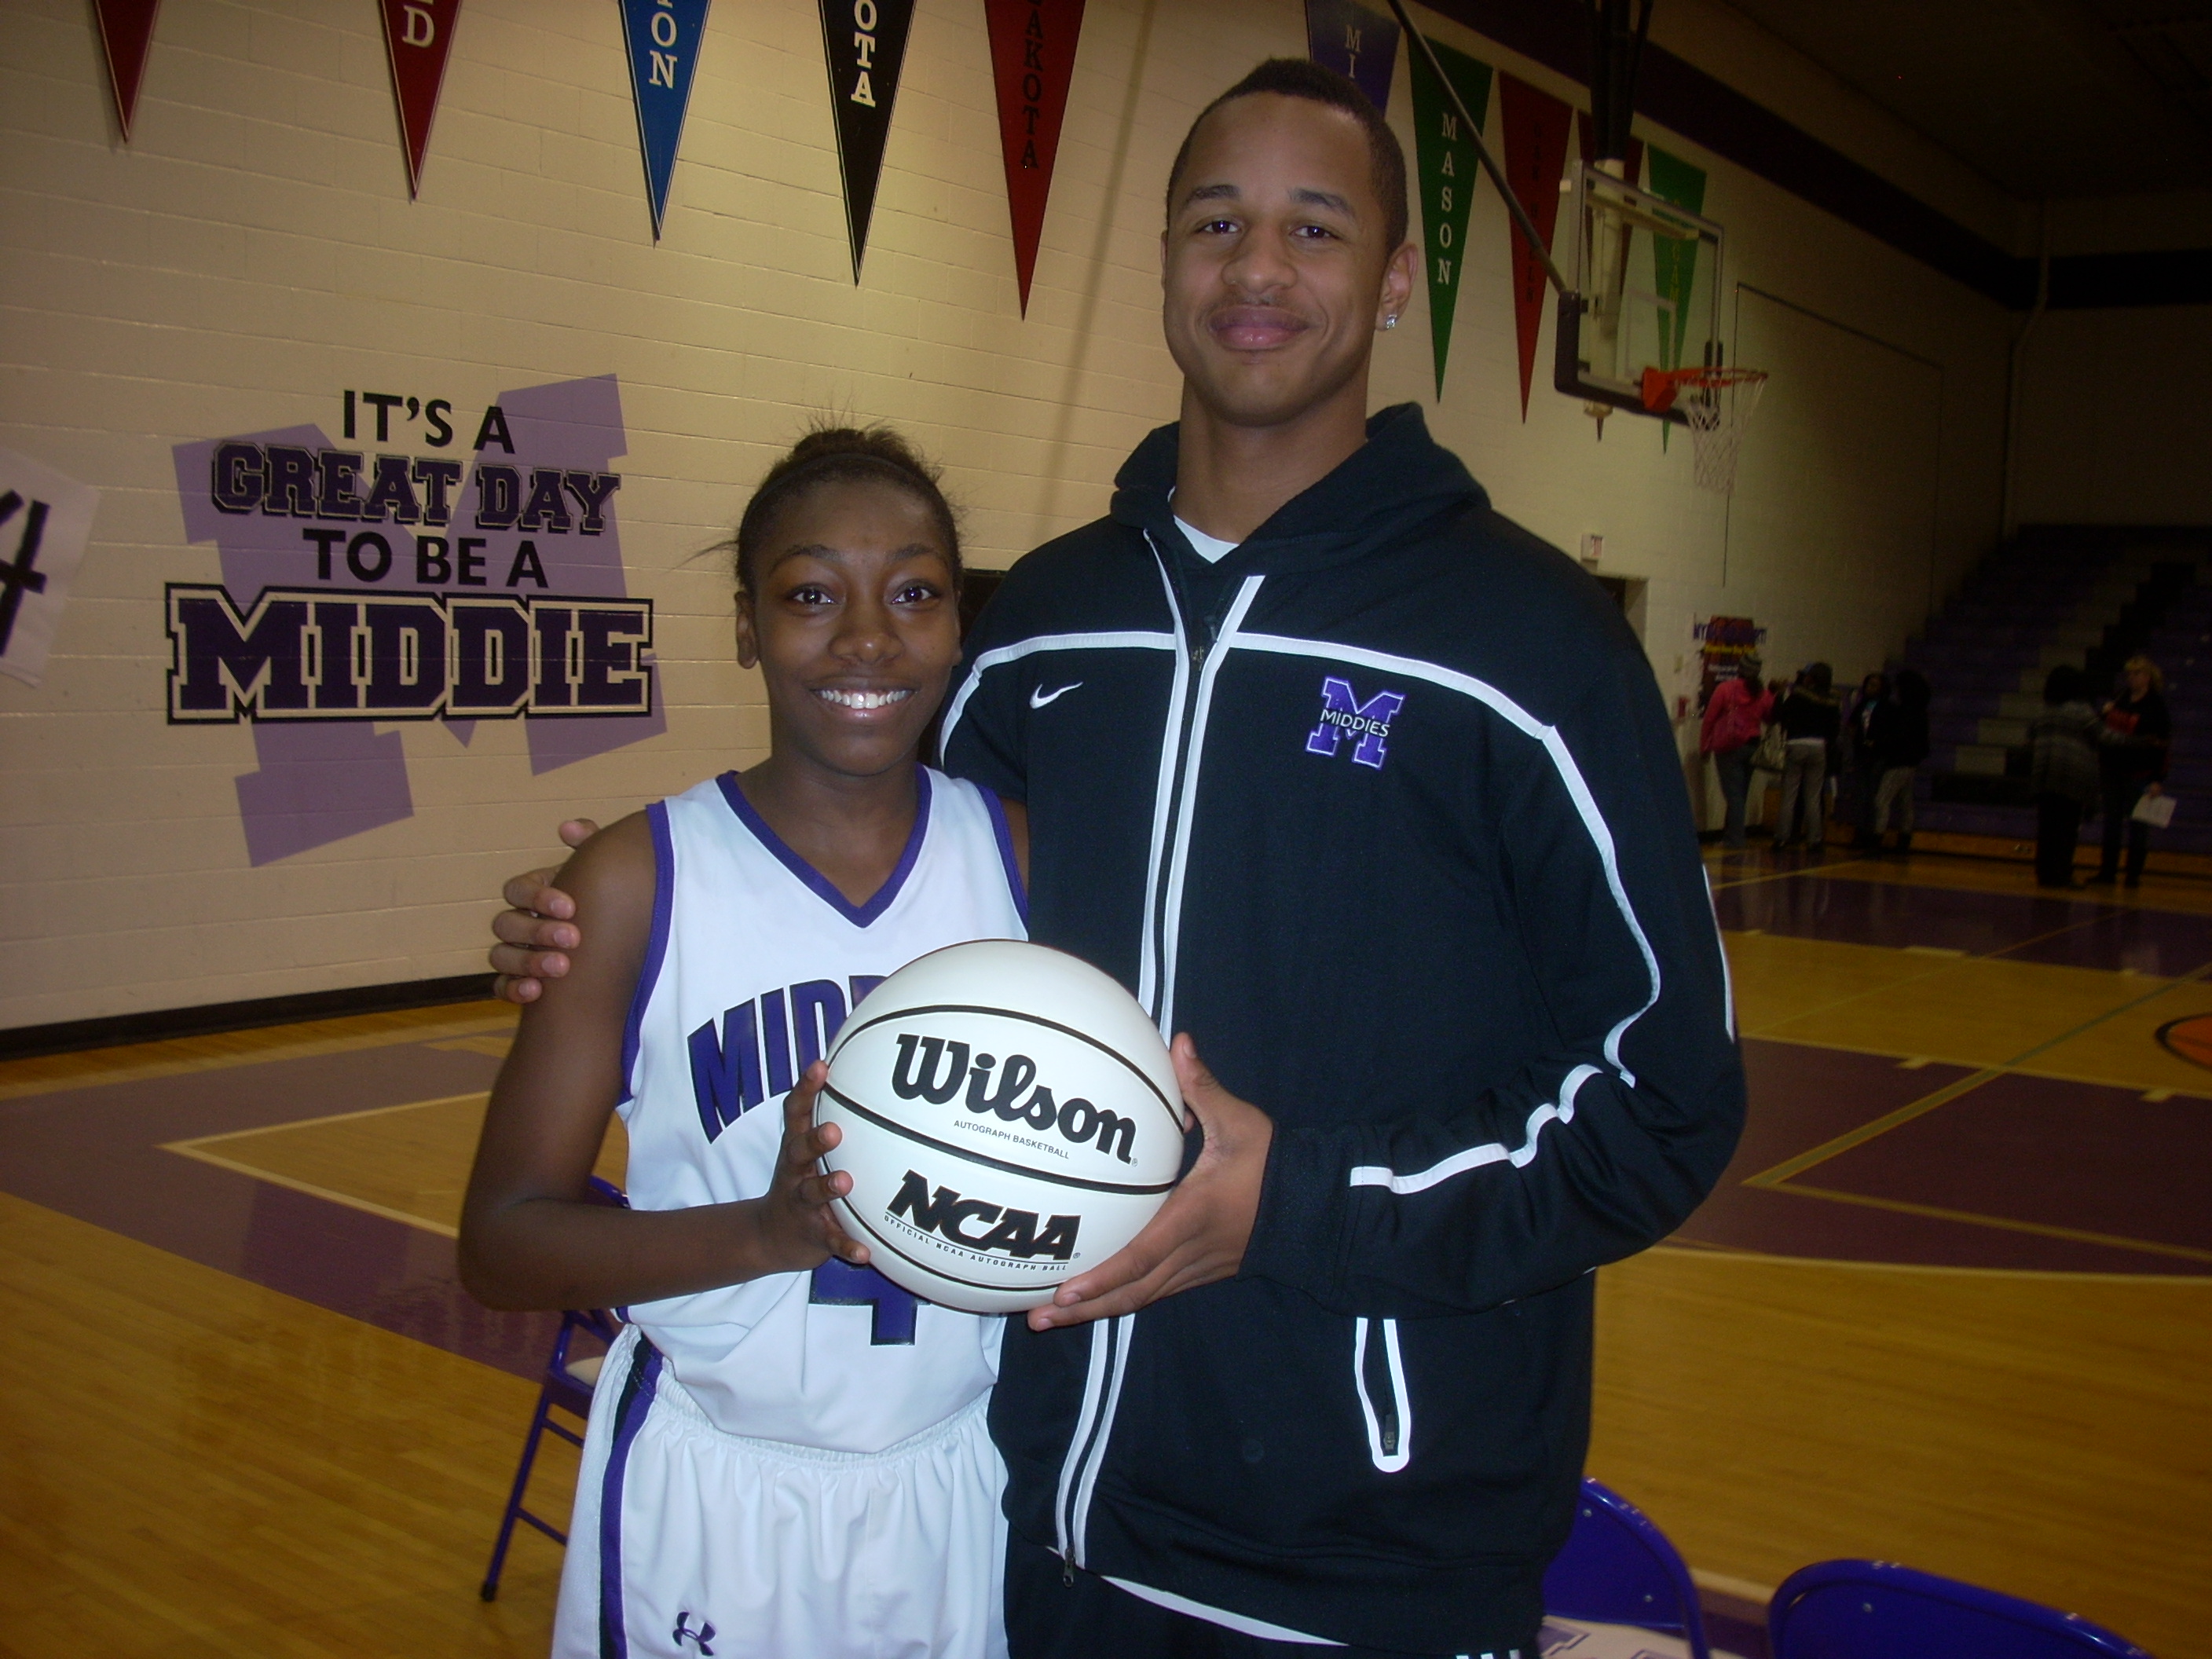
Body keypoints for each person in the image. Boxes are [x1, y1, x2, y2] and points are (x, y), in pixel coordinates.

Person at [491, 60, 1745, 1659]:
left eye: (1314, 225)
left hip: (1369, 1564)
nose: (1259, 271)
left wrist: (1290, 1198)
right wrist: (582, 919)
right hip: (1029, 1524)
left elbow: (1666, 1100)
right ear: (1163, 257)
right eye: (1216, 222)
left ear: (1397, 273)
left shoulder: (1528, 648)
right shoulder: (1039, 631)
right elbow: (860, 883)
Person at [460, 427, 1032, 1659]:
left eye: (916, 593)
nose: (868, 639)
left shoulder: (1028, 859)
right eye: (812, 594)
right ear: (744, 624)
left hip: (964, 1480)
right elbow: (501, 1247)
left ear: (957, 621)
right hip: (713, 1487)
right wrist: (766, 1235)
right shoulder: (633, 881)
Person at [2092, 654, 2171, 888]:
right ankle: (2108, 872)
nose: (2132, 678)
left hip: (2140, 773)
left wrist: (2158, 779)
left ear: (2147, 677)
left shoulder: (2156, 707)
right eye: (2129, 674)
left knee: (2138, 826)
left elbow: (2162, 746)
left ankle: (2133, 875)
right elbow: (2102, 728)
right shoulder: (2120, 698)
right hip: (2112, 770)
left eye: (2136, 674)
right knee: (2111, 823)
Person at [2028, 664, 2101, 888]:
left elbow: (2030, 737)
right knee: (2066, 830)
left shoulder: (2043, 712)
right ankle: (2062, 874)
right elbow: (2103, 737)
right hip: (2071, 779)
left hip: (2044, 778)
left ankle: (2045, 873)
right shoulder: (2081, 712)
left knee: (2047, 829)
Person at [1700, 652, 1771, 848]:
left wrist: (1704, 744)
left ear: (1739, 668)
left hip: (1728, 747)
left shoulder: (1726, 689)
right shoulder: (1762, 693)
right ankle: (1731, 835)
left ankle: (1735, 840)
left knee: (1733, 796)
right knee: (1741, 795)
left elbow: (1710, 719)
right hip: (1752, 747)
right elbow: (1769, 716)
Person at [1771, 662, 1840, 851]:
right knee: (1813, 797)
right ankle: (1815, 840)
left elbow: (1780, 715)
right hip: (1819, 747)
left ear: (1812, 678)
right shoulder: (1833, 700)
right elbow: (1835, 729)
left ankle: (1781, 838)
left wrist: (1779, 694)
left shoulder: (1800, 694)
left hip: (1797, 744)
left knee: (1789, 795)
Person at [1866, 667, 1930, 855]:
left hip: (1898, 762)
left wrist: (1879, 745)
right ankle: (1904, 842)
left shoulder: (1904, 712)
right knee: (1905, 803)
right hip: (1911, 763)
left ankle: (1876, 842)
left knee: (1881, 800)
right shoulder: (1920, 712)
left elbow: (1896, 738)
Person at [1843, 671, 1886, 848]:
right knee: (1861, 796)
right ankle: (1860, 833)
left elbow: (1888, 731)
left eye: (1874, 685)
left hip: (1877, 757)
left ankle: (1871, 833)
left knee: (1873, 796)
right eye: (1868, 684)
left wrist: (1876, 742)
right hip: (1861, 755)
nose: (1870, 688)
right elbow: (1851, 725)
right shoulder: (1861, 706)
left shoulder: (1886, 707)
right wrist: (1858, 741)